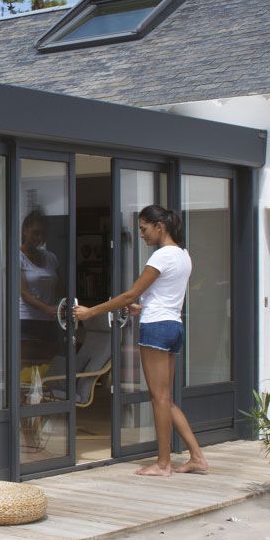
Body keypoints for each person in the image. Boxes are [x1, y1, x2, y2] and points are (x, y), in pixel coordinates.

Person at [74, 204, 208, 477]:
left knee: (158, 398)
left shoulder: (161, 257)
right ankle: (196, 457)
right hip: (173, 325)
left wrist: (90, 312)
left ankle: (163, 464)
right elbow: (163, 296)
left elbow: (128, 295)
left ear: (160, 226)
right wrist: (142, 307)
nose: (142, 235)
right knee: (166, 399)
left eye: (144, 229)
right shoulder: (183, 255)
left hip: (156, 329)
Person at [19, 210, 62, 367]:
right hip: (26, 320)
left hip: (48, 321)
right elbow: (23, 293)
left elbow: (60, 286)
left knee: (47, 366)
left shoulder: (51, 257)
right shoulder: (17, 257)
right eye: (35, 233)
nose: (39, 238)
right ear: (25, 230)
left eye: (43, 234)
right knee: (25, 366)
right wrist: (48, 309)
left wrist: (59, 306)